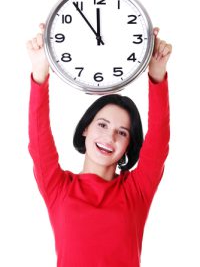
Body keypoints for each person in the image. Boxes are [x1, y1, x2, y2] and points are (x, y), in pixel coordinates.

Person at [27, 23, 172, 267]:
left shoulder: (136, 191)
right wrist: (40, 72)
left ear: (128, 144)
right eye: (102, 125)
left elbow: (159, 139)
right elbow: (39, 138)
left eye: (122, 132)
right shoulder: (58, 188)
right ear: (86, 128)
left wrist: (157, 75)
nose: (109, 137)